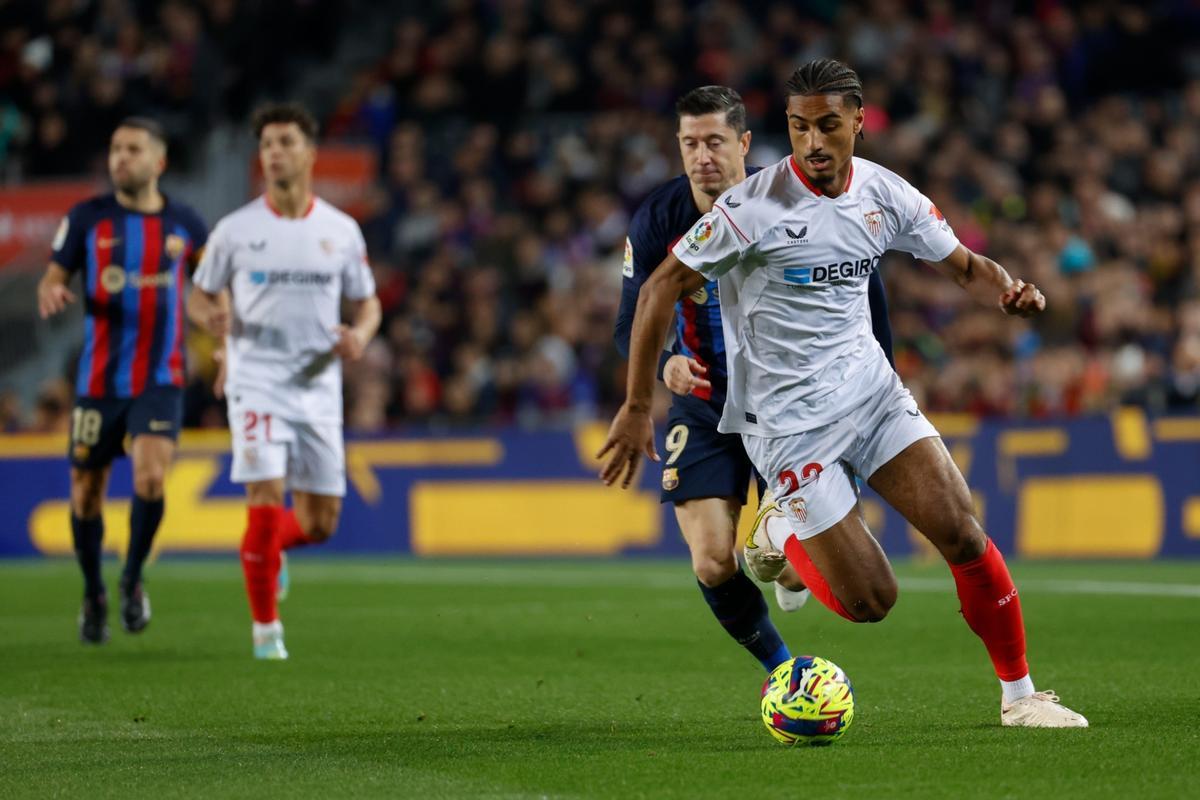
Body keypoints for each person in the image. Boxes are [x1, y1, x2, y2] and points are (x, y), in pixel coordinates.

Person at [599, 59, 1087, 727]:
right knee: (871, 601)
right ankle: (778, 528)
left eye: (828, 125)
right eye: (799, 128)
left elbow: (967, 266)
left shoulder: (886, 194)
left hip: (871, 396)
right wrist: (635, 407)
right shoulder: (752, 209)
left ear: (858, 121)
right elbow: (657, 290)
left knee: (963, 534)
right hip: (788, 424)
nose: (813, 142)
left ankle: (1021, 696)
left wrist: (1006, 290)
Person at [614, 85, 898, 672]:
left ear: (743, 143)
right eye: (690, 143)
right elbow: (629, 320)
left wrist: (874, 394)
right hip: (704, 403)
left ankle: (786, 556)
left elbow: (865, 293)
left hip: (790, 407)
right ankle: (785, 672)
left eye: (715, 141)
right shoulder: (655, 219)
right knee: (713, 561)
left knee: (793, 564)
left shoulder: (792, 200)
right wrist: (666, 359)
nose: (702, 156)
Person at [188, 102, 381, 660]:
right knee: (265, 496)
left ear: (310, 152)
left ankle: (268, 551)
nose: (274, 152)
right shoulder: (235, 231)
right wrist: (212, 320)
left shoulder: (340, 231)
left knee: (320, 523)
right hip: (256, 381)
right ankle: (266, 632)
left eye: (285, 142)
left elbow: (367, 305)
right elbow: (200, 296)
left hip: (318, 386)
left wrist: (361, 337)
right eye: (267, 143)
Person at [36, 118, 208, 643]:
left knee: (151, 477)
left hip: (161, 376)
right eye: (114, 149)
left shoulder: (185, 223)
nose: (120, 158)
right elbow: (53, 276)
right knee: (86, 492)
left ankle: (132, 577)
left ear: (158, 162)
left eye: (132, 149)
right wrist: (50, 291)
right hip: (98, 380)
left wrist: (213, 312)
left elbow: (206, 286)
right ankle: (94, 591)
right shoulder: (87, 218)